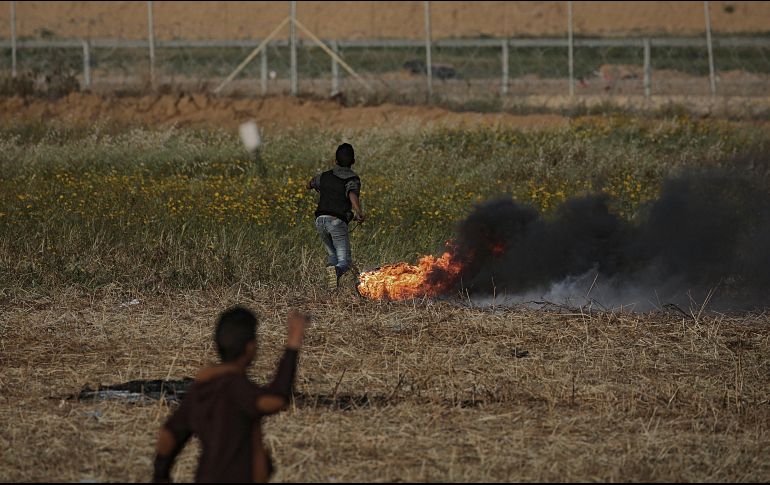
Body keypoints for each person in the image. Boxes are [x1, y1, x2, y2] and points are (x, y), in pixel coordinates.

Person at [152, 306, 309, 483]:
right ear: (250, 348)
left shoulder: (200, 389)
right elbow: (277, 399)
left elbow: (168, 436)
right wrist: (293, 343)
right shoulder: (236, 387)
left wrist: (161, 475)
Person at [307, 143, 366, 290]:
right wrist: (359, 212)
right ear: (353, 162)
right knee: (343, 261)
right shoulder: (352, 178)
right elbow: (352, 193)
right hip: (336, 221)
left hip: (320, 220)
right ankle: (337, 271)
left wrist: (320, 189)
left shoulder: (324, 176)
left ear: (335, 161)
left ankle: (331, 289)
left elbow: (310, 184)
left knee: (332, 256)